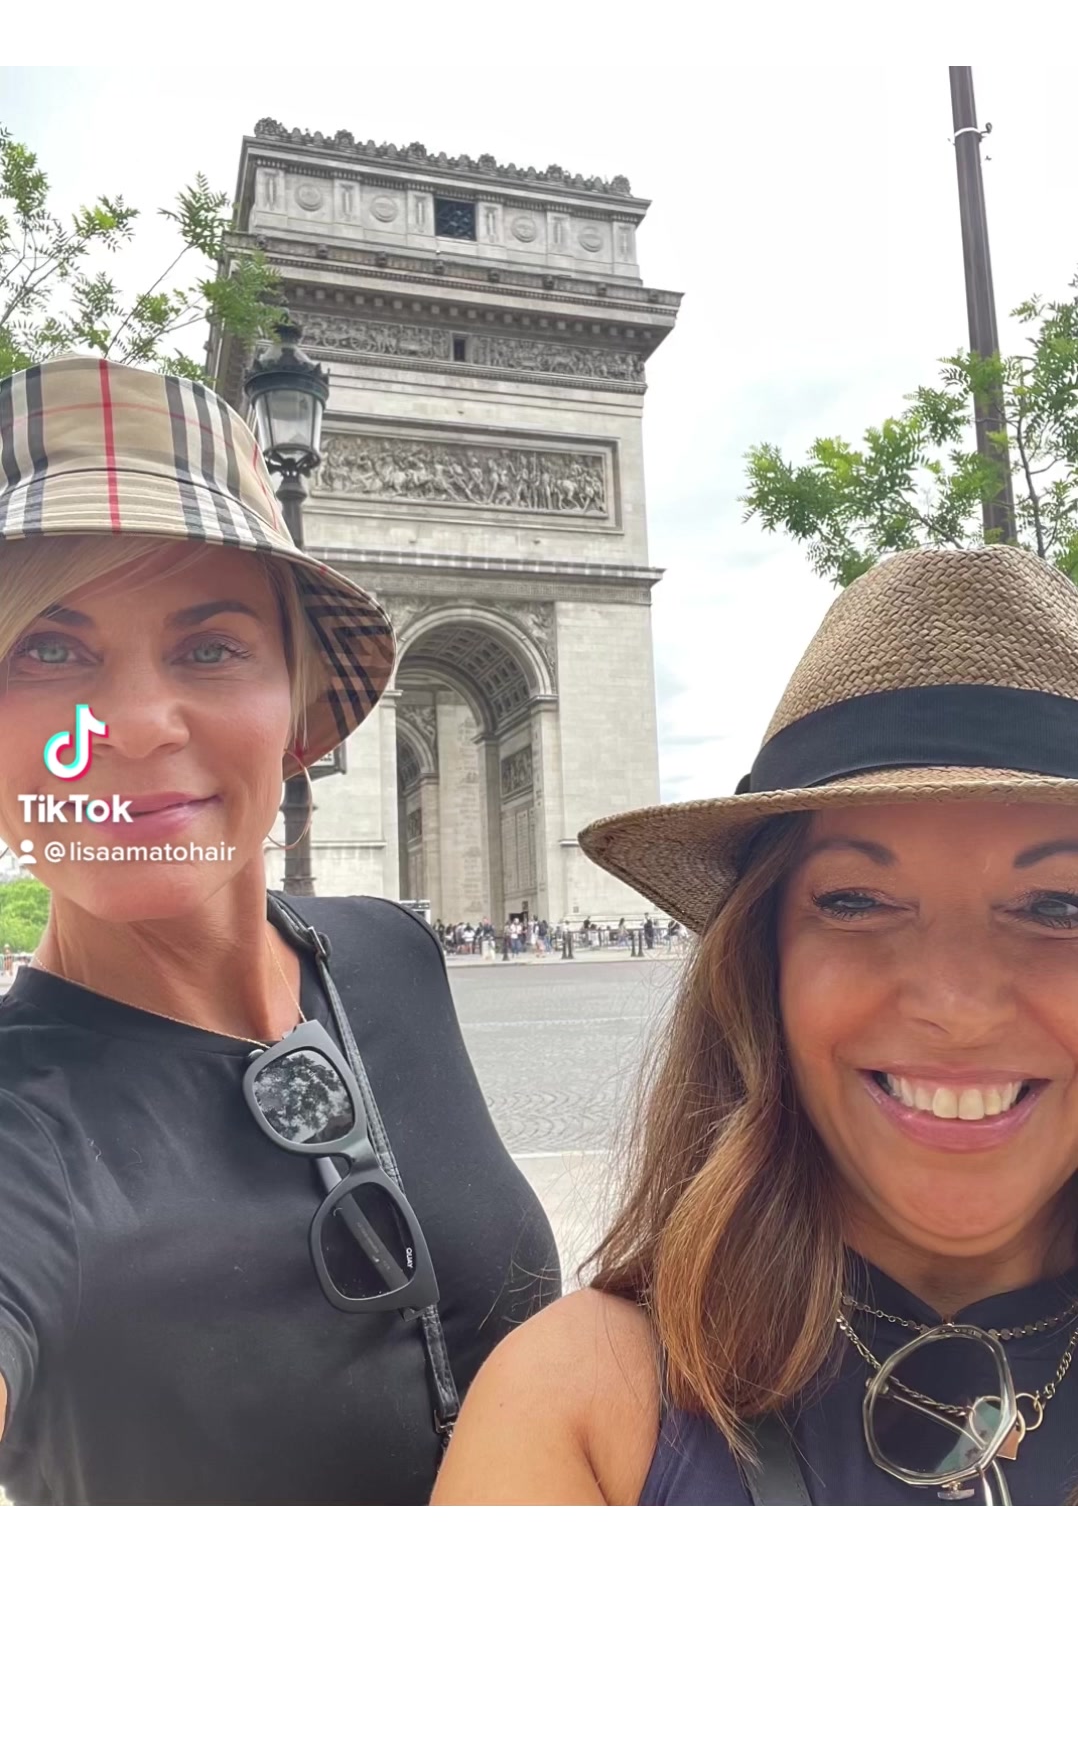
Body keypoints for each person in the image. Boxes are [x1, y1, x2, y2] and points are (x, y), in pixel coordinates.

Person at [0, 355, 559, 1506]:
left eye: (209, 647)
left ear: (297, 707)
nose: (138, 724)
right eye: (49, 650)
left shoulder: (391, 950)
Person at [433, 546, 1078, 1505]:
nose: (956, 1006)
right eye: (857, 902)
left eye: (1060, 906)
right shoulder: (570, 1402)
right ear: (758, 960)